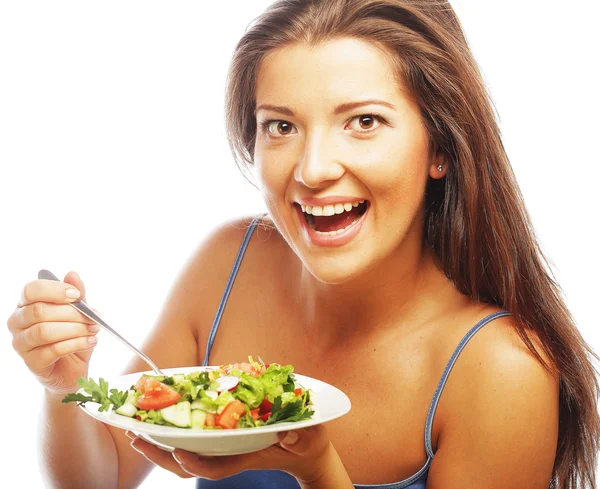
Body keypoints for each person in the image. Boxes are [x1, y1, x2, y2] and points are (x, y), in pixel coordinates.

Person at [7, 0, 600, 488]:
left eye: (364, 121)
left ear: (441, 147)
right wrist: (65, 384)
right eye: (282, 126)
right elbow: (103, 476)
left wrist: (316, 468)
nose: (313, 169)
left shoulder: (503, 372)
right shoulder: (226, 265)